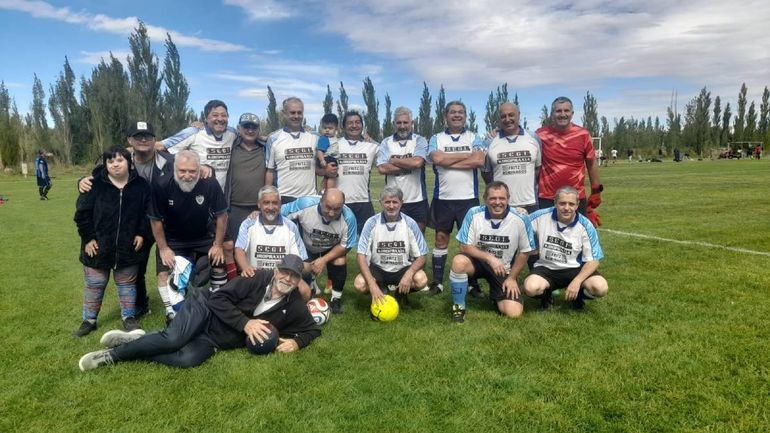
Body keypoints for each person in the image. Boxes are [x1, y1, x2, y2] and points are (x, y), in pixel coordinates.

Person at [78, 254, 320, 371]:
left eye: (294, 275)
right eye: (284, 272)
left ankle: (141, 341)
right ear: (276, 270)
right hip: (205, 309)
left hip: (216, 339)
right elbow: (219, 298)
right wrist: (245, 324)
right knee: (174, 339)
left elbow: (312, 329)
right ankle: (112, 355)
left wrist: (298, 343)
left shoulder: (295, 303)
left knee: (186, 359)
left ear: (299, 279)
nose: (287, 278)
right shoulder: (255, 278)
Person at [78, 121, 174, 317]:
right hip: (142, 225)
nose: (143, 140)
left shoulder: (169, 161)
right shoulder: (122, 160)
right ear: (130, 140)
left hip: (167, 222)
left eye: (147, 135)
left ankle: (176, 304)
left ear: (155, 139)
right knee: (136, 267)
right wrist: (81, 181)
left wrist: (206, 169)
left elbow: (187, 171)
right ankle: (139, 306)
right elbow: (99, 176)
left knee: (170, 265)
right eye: (138, 136)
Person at [73, 146, 151, 336]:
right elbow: (82, 214)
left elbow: (148, 214)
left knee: (127, 283)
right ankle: (89, 320)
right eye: (111, 161)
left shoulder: (141, 186)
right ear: (106, 164)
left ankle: (128, 317)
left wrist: (142, 233)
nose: (115, 164)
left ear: (129, 162)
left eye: (120, 160)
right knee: (95, 283)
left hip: (128, 247)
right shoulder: (94, 185)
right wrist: (88, 238)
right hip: (98, 246)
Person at [149, 150, 228, 323]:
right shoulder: (161, 184)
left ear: (200, 169)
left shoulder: (210, 183)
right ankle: (172, 312)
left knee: (219, 262)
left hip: (202, 236)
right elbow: (155, 220)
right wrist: (163, 248)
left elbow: (222, 216)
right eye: (182, 171)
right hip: (173, 239)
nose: (187, 175)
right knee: (164, 271)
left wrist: (217, 245)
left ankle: (218, 305)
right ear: (174, 169)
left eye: (192, 171)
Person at [449, 181, 535, 323]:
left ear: (508, 199)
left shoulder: (520, 218)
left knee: (514, 313)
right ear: (485, 199)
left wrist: (512, 278)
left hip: (503, 269)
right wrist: (489, 258)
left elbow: (525, 252)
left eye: (501, 198)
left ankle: (498, 295)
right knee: (459, 262)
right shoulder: (474, 213)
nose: (497, 202)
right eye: (492, 198)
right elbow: (464, 246)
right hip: (477, 262)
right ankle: (458, 307)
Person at [426, 101, 486, 297]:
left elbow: (479, 160)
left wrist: (448, 161)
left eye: (461, 112)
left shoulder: (474, 136)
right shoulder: (436, 138)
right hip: (443, 198)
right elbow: (437, 159)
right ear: (446, 116)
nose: (457, 115)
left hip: (468, 199)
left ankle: (472, 283)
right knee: (441, 239)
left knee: (470, 243)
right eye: (453, 112)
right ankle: (437, 282)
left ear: (466, 116)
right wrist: (466, 156)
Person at [523, 186, 609, 310]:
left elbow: (593, 260)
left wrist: (577, 281)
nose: (566, 208)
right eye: (562, 203)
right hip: (547, 268)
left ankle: (578, 295)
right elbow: (520, 226)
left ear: (577, 205)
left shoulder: (585, 225)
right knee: (530, 288)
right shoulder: (541, 216)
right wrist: (517, 212)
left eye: (571, 204)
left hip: (575, 269)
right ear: (555, 203)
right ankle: (546, 296)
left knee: (600, 288)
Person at [281, 188, 357, 314]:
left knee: (340, 260)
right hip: (306, 245)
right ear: (320, 201)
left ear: (342, 206)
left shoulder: (349, 217)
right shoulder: (305, 204)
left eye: (337, 209)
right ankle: (311, 286)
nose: (331, 213)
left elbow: (346, 246)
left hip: (331, 248)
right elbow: (280, 213)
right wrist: (257, 213)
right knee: (303, 271)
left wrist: (323, 260)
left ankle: (335, 300)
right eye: (328, 207)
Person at [354, 186, 428, 309]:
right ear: (381, 203)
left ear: (401, 203)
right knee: (359, 284)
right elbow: (361, 256)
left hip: (402, 268)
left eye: (395, 202)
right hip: (378, 269)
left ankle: (400, 294)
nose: (391, 206)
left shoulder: (410, 223)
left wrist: (409, 274)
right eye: (387, 202)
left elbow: (422, 256)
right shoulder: (371, 223)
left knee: (421, 279)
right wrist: (372, 285)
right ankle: (382, 289)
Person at [234, 185, 311, 299]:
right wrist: (245, 267)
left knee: (305, 291)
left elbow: (300, 259)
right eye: (266, 203)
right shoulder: (248, 224)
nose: (271, 207)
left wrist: (293, 274)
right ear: (259, 204)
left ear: (280, 204)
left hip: (283, 276)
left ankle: (292, 313)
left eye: (275, 203)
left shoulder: (290, 226)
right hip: (256, 275)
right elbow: (239, 250)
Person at [536, 96, 603, 227]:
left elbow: (591, 163)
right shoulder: (540, 135)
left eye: (566, 111)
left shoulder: (583, 135)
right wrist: (498, 132)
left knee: (577, 240)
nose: (562, 114)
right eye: (558, 111)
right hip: (547, 198)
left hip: (575, 197)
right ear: (551, 114)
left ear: (572, 113)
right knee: (545, 240)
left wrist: (596, 191)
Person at [265, 97, 332, 203]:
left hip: (309, 198)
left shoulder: (315, 137)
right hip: (283, 197)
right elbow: (269, 171)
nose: (296, 116)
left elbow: (334, 147)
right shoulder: (273, 139)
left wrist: (364, 139)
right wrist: (268, 197)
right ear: (284, 113)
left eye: (299, 113)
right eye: (292, 113)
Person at [224, 113, 267, 275]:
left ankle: (258, 284)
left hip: (260, 209)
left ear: (258, 130)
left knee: (258, 250)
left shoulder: (266, 148)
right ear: (239, 129)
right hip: (235, 208)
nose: (250, 130)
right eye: (246, 126)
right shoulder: (231, 147)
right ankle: (236, 287)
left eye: (253, 127)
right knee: (235, 249)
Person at [481, 102, 541, 214]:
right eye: (503, 116)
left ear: (519, 115)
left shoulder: (534, 138)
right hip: (501, 203)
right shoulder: (490, 141)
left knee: (531, 232)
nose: (507, 119)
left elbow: (537, 168)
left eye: (511, 115)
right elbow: (486, 173)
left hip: (530, 202)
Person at [376, 106, 430, 232]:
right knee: (395, 239)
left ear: (412, 123)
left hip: (417, 200)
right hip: (393, 200)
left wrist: (394, 160)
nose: (402, 126)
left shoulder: (420, 140)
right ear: (394, 124)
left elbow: (417, 163)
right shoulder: (386, 142)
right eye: (399, 123)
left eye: (405, 122)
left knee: (417, 240)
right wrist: (408, 164)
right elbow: (382, 168)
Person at [334, 111, 380, 235]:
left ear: (362, 126)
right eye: (350, 123)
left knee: (367, 241)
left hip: (363, 201)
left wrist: (371, 139)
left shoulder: (371, 146)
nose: (354, 126)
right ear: (343, 127)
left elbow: (386, 155)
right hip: (340, 201)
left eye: (357, 122)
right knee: (338, 242)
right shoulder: (335, 145)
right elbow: (319, 168)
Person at [316, 113, 340, 191]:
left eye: (330, 128)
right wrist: (322, 160)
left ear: (336, 129)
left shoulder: (334, 138)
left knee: (327, 176)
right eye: (325, 128)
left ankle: (324, 189)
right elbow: (320, 150)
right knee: (332, 175)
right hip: (328, 159)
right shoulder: (324, 139)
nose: (327, 130)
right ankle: (329, 190)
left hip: (329, 158)